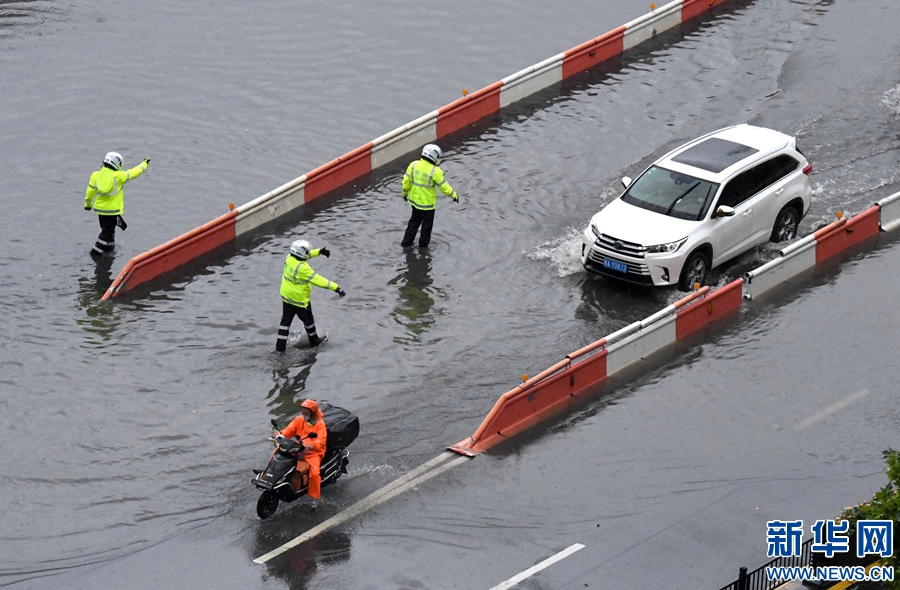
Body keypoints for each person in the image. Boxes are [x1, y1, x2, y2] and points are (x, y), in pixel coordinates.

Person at [277, 239, 346, 351]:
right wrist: (336, 288)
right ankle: (314, 341)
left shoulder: (289, 258)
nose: (309, 253)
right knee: (309, 321)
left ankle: (280, 348)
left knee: (285, 323)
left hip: (287, 298)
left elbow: (304, 255)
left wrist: (319, 252)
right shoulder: (303, 269)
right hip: (300, 301)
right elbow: (319, 280)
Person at [84, 152, 150, 257]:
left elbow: (89, 192)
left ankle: (109, 253)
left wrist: (87, 205)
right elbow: (133, 172)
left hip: (100, 211)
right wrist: (144, 164)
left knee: (107, 231)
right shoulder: (119, 176)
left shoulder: (95, 175)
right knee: (107, 233)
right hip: (112, 211)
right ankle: (95, 253)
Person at [401, 144, 459, 248]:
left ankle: (406, 244)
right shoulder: (435, 171)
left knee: (413, 224)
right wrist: (454, 195)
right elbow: (444, 187)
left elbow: (406, 182)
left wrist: (404, 193)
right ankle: (423, 248)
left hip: (415, 203)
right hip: (428, 206)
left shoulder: (413, 165)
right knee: (426, 228)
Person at [280, 399, 328, 511]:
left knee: (314, 473)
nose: (304, 415)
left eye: (306, 413)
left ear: (313, 412)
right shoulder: (299, 420)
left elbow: (321, 441)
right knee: (278, 452)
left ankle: (314, 499)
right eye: (303, 412)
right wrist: (279, 434)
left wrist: (312, 445)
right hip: (299, 448)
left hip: (314, 452)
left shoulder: (320, 424)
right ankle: (266, 474)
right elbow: (288, 431)